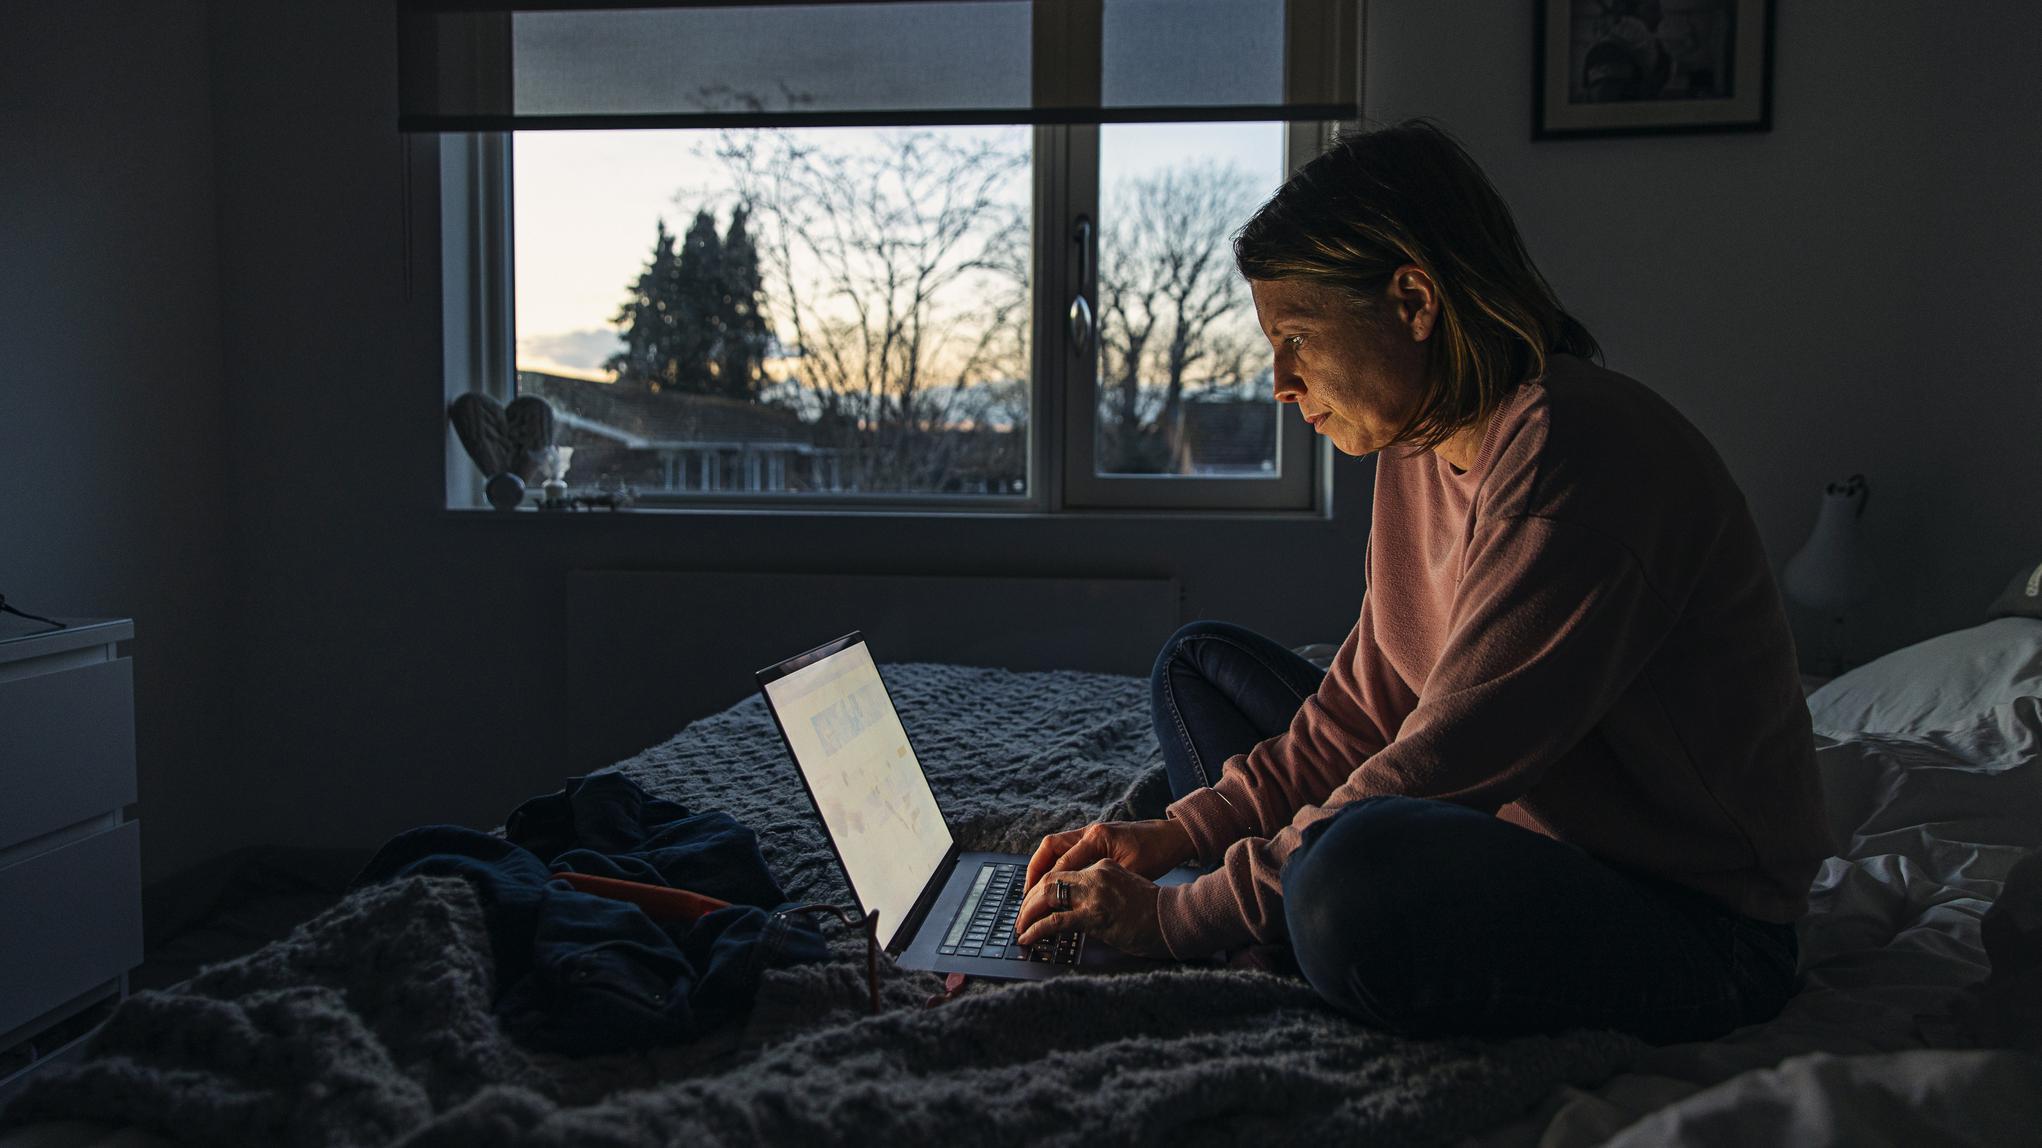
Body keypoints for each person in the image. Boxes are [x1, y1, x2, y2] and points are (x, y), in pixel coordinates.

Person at [1011, 120, 1830, 1043]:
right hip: (1507, 827)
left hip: (1699, 926)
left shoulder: (1573, 462)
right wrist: (1179, 834)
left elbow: (1439, 764)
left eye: (1296, 337)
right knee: (1194, 666)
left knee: (1340, 884)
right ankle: (1281, 907)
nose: (1279, 380)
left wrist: (1173, 918)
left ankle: (1287, 923)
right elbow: (1370, 703)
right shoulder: (1421, 444)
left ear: (1412, 300)